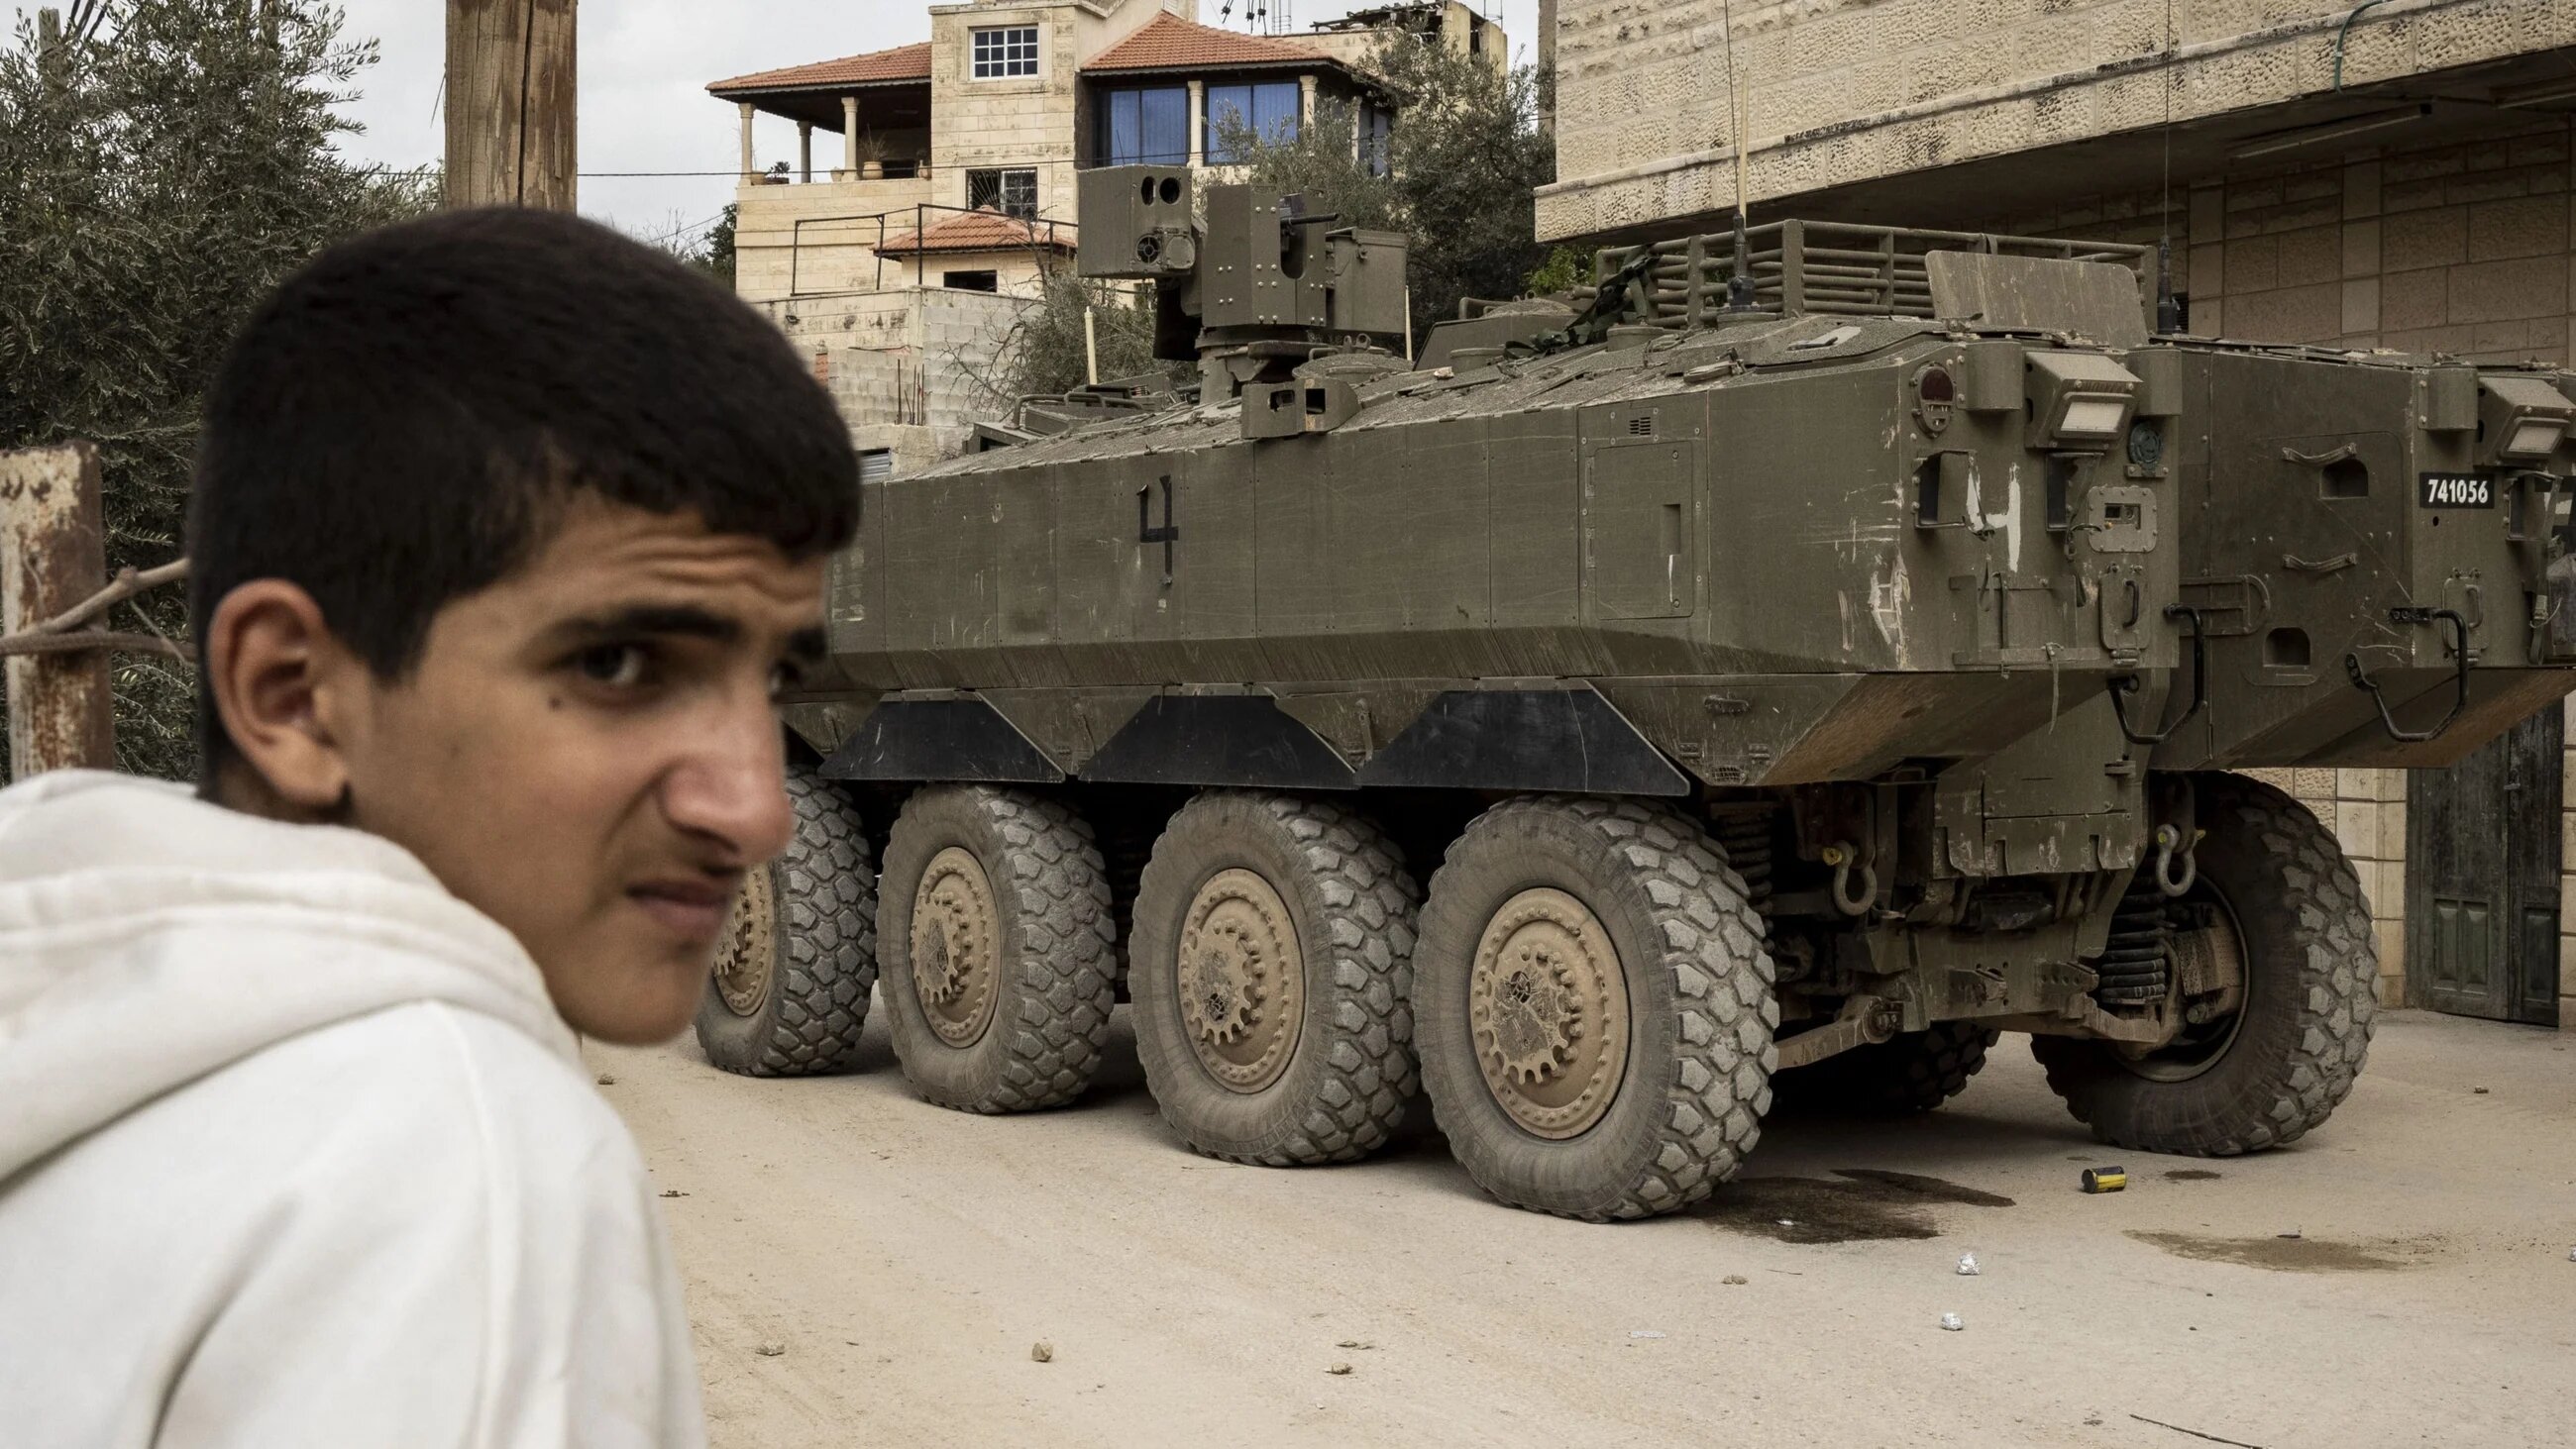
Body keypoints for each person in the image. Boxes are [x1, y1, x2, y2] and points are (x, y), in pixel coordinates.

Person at [0, 207, 858, 1445]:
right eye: (618, 662)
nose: (759, 807)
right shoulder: (469, 1168)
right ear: (293, 693)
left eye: (774, 680)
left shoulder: (71, 1018)